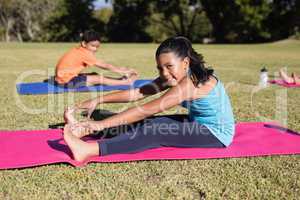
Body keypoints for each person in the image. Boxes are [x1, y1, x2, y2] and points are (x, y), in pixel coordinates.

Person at [63, 36, 235, 162]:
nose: (164, 73)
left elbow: (147, 109)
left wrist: (100, 123)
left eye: (169, 66)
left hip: (215, 134)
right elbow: (137, 93)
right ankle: (84, 130)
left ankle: (88, 149)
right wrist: (98, 100)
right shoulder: (175, 76)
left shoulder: (190, 84)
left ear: (185, 62)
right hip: (196, 122)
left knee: (155, 129)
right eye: (160, 68)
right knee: (149, 123)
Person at [55, 30, 138, 87]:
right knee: (99, 79)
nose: (95, 49)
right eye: (93, 46)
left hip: (62, 79)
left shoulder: (79, 50)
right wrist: (123, 70)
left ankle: (118, 80)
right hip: (66, 82)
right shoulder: (85, 53)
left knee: (94, 75)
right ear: (84, 43)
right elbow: (104, 65)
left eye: (97, 46)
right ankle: (125, 82)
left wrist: (121, 69)